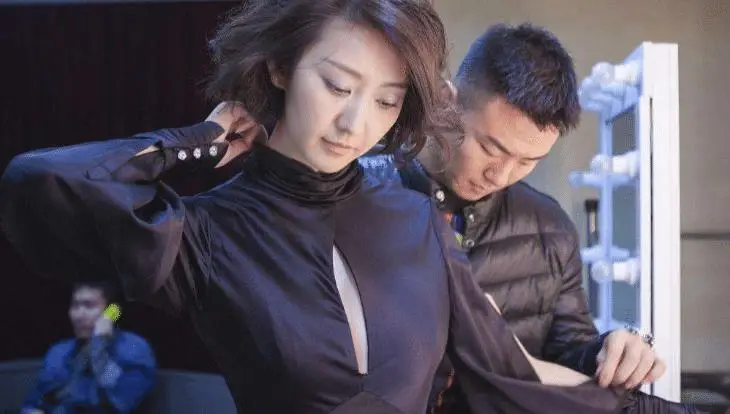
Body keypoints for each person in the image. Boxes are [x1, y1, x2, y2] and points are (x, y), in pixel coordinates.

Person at [1, 1, 626, 413]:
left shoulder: (415, 219)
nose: (356, 123)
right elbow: (40, 182)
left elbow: (510, 372)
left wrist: (639, 380)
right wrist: (197, 142)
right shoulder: (207, 233)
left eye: (386, 101)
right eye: (336, 85)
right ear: (280, 68)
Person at [359, 23, 698, 413]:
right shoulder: (358, 192)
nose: (501, 175)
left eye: (527, 161)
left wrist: (608, 351)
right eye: (490, 148)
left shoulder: (549, 229)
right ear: (445, 102)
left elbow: (566, 354)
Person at [21, 281, 156, 414]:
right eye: (75, 306)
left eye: (89, 306)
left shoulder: (134, 349)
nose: (79, 315)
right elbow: (34, 402)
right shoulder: (60, 352)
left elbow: (119, 402)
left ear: (111, 311)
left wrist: (99, 345)